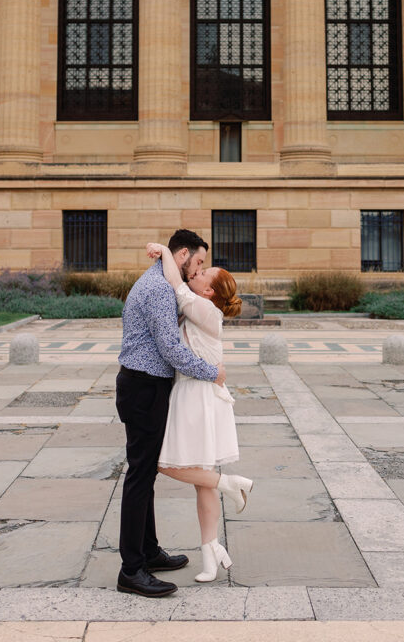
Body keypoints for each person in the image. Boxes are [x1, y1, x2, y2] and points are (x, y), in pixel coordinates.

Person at [116, 229, 227, 598]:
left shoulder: (161, 283)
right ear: (181, 255)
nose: (197, 270)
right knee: (139, 477)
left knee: (145, 474)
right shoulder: (160, 290)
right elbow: (169, 348)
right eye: (196, 262)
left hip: (146, 385)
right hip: (144, 387)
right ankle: (131, 569)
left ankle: (148, 551)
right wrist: (213, 373)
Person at [148, 241, 253, 582]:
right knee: (202, 485)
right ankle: (211, 553)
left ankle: (231, 483)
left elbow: (175, 283)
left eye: (204, 270)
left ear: (208, 290)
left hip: (196, 396)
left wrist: (165, 251)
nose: (197, 270)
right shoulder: (202, 309)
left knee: (165, 465)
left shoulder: (205, 309)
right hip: (201, 394)